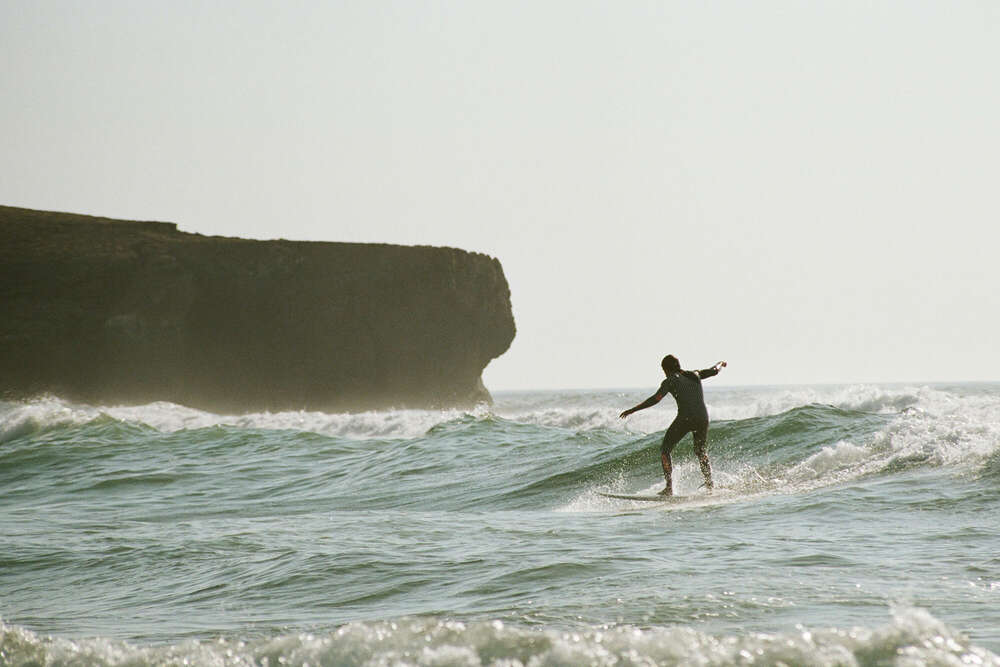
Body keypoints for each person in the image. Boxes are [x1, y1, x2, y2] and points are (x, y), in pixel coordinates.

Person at [619, 355, 727, 496]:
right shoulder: (695, 374)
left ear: (666, 369)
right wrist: (720, 363)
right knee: (700, 451)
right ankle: (709, 482)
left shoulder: (670, 381)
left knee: (665, 450)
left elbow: (656, 399)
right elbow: (714, 371)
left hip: (686, 418)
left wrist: (633, 409)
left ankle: (669, 487)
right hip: (702, 417)